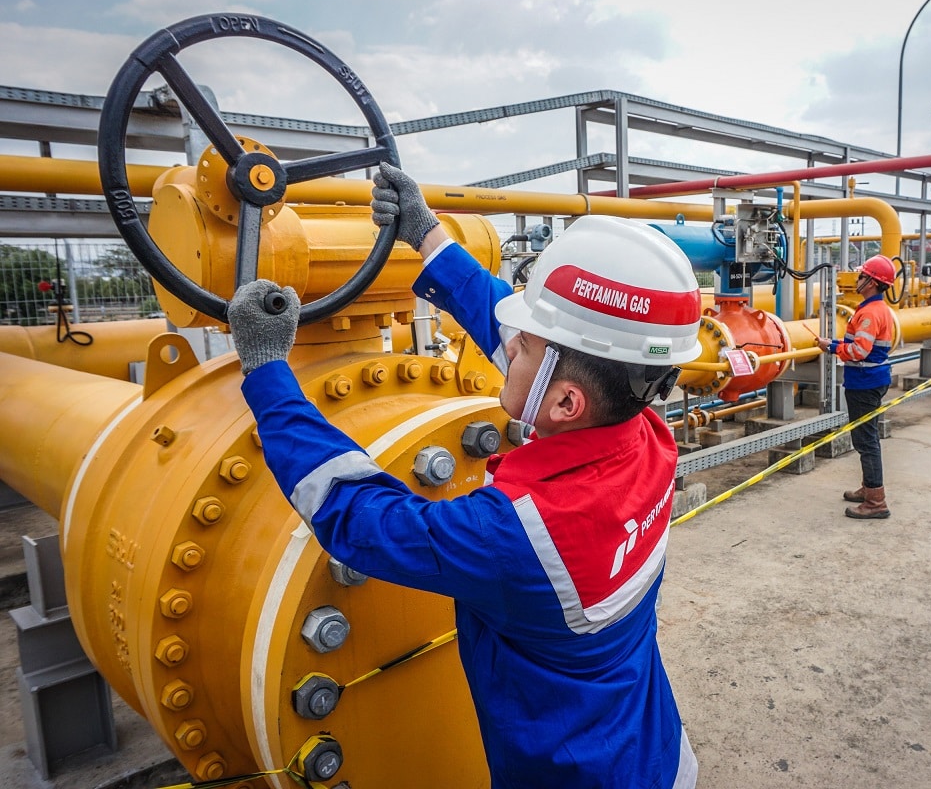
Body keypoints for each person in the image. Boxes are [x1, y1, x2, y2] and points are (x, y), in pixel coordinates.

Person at [226, 162, 702, 788]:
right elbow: (531, 352)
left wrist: (267, 372)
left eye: (523, 346)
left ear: (564, 405)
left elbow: (357, 515)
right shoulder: (646, 439)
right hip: (655, 754)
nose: (509, 346)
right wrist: (426, 236)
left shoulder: (517, 536)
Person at [815, 255, 896, 520]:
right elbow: (860, 343)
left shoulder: (870, 313)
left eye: (861, 276)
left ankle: (876, 501)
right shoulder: (876, 309)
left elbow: (859, 351)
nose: (857, 279)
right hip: (871, 380)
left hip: (864, 383)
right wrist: (835, 342)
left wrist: (832, 348)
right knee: (866, 439)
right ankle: (869, 489)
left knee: (866, 441)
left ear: (872, 282)